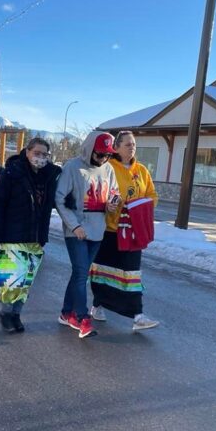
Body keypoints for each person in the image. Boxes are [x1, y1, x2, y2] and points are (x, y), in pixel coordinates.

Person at [0, 138, 61, 333]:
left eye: (45, 154)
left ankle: (16, 314)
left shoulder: (48, 177)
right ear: (27, 152)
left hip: (35, 236)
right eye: (37, 153)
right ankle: (6, 313)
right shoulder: (13, 173)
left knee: (26, 280)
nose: (41, 158)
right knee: (12, 279)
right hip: (12, 233)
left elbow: (51, 203)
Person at [89, 131, 160, 331]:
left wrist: (141, 205)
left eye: (134, 144)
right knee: (104, 270)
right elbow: (98, 192)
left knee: (131, 272)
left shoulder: (142, 170)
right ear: (117, 147)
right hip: (110, 229)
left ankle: (137, 315)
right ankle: (98, 304)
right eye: (127, 144)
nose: (132, 147)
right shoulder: (108, 167)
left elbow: (152, 195)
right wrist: (110, 203)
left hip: (133, 230)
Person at [55, 131, 120, 339]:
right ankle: (83, 318)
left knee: (78, 274)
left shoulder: (108, 169)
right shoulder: (73, 167)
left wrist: (112, 203)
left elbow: (114, 193)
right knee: (81, 273)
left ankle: (66, 313)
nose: (104, 159)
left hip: (97, 229)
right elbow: (60, 199)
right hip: (77, 231)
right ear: (90, 150)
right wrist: (74, 226)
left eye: (107, 155)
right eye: (100, 154)